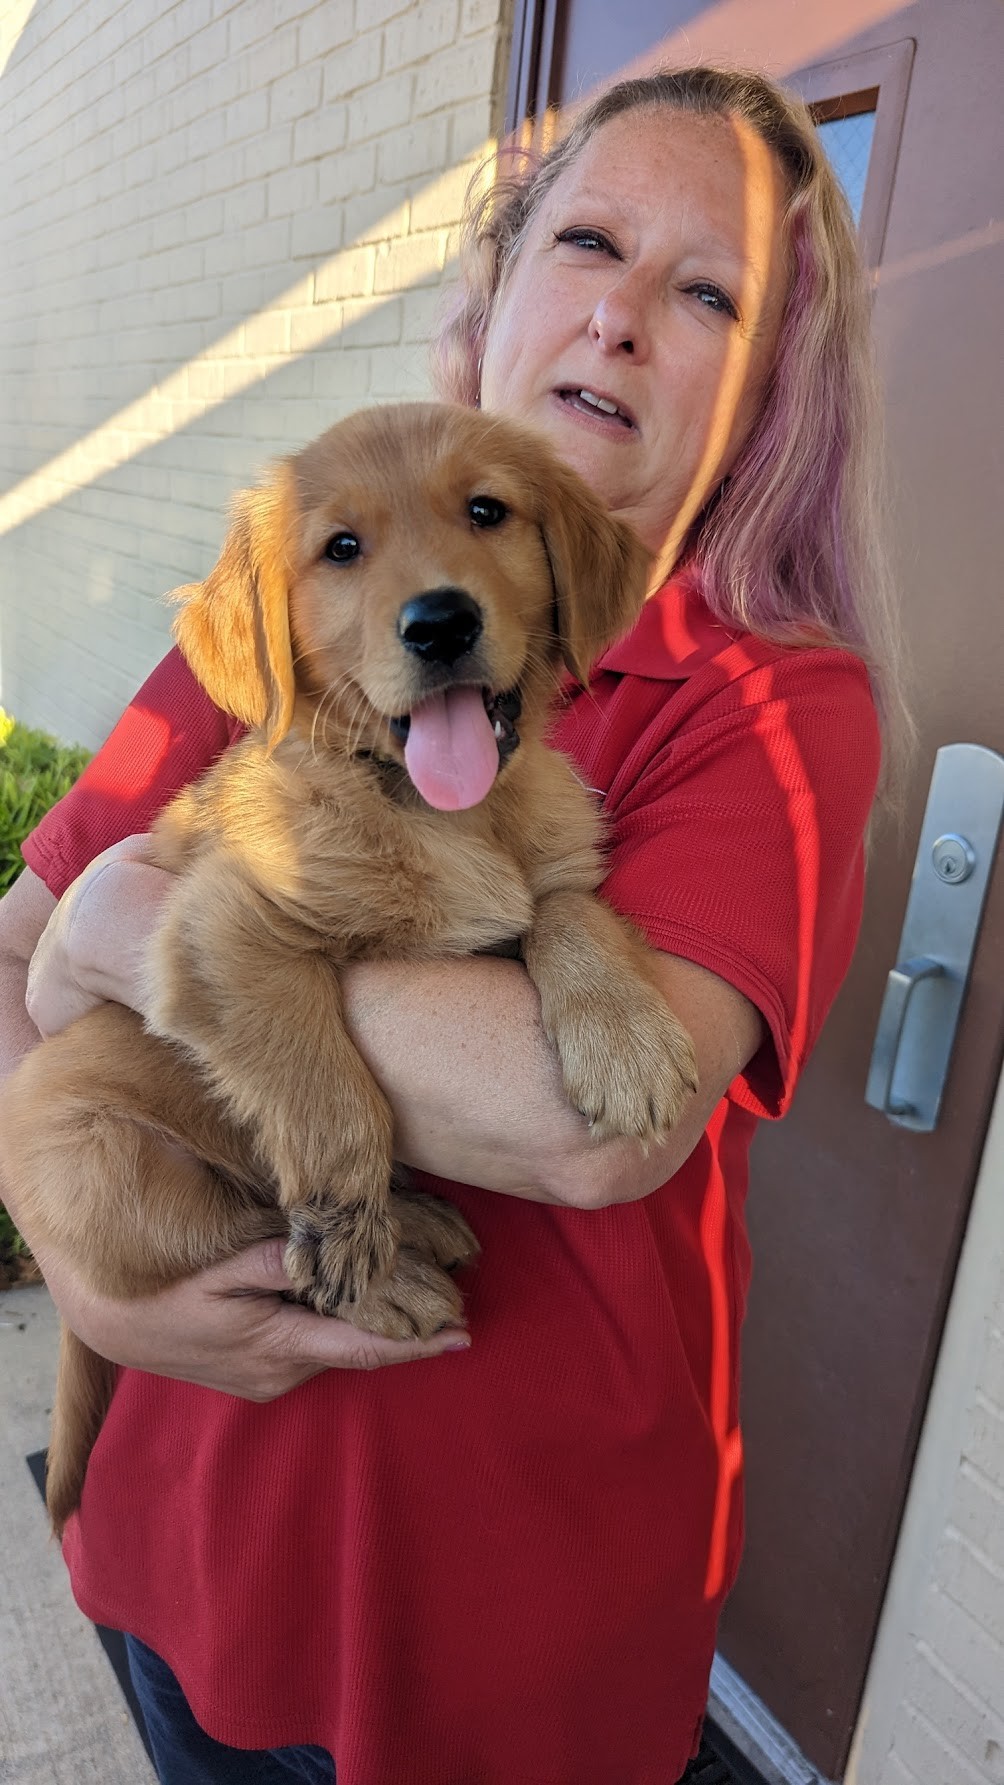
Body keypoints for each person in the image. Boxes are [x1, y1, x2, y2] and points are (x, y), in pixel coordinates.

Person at [0, 66, 902, 1785]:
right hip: (199, 1529)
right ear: (491, 296)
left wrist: (151, 931)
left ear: (766, 390)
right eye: (590, 242)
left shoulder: (773, 705)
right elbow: (10, 950)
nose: (625, 320)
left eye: (706, 292)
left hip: (519, 1606)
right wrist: (82, 1270)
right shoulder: (305, 593)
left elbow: (588, 1125)